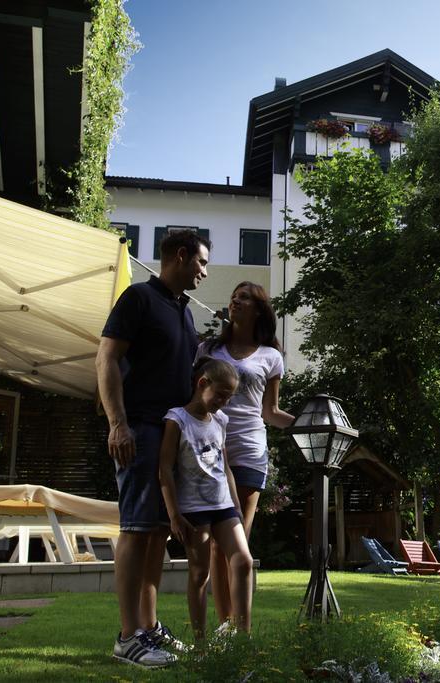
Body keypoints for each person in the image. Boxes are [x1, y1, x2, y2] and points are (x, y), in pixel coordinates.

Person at [97, 230, 209, 668]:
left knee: (158, 534)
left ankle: (148, 626)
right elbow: (106, 358)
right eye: (201, 263)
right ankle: (128, 637)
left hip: (170, 438)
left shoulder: (182, 314)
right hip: (139, 430)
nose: (203, 271)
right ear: (180, 256)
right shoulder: (138, 299)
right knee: (137, 529)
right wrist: (117, 424)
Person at [196, 281, 294, 625]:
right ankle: (226, 629)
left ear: (258, 309)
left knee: (238, 544)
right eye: (234, 296)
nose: (235, 301)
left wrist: (309, 425)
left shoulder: (271, 356)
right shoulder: (208, 349)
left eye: (244, 298)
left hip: (250, 450)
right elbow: (192, 399)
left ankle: (239, 629)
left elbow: (270, 411)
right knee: (214, 547)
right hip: (208, 451)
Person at [159, 358, 254, 639]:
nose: (224, 402)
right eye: (221, 394)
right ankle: (200, 643)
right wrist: (174, 514)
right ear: (203, 383)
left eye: (229, 396)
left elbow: (225, 467)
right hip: (193, 510)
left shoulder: (221, 420)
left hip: (223, 505)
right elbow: (164, 468)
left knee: (243, 560)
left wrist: (236, 505)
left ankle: (242, 635)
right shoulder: (177, 419)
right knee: (200, 575)